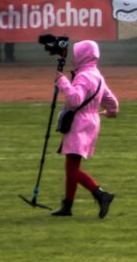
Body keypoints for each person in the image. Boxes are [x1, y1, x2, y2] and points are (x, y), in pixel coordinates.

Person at [51, 39, 119, 218]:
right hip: (92, 121)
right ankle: (67, 206)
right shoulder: (97, 75)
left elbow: (75, 101)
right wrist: (111, 112)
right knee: (71, 165)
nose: (74, 58)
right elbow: (111, 100)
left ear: (83, 56)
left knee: (72, 169)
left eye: (76, 54)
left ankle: (100, 194)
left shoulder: (82, 76)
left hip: (79, 123)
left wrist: (63, 82)